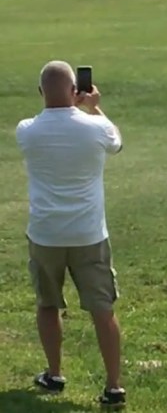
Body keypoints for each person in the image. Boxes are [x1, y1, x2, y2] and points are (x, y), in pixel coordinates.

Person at [15, 60, 127, 409]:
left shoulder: (27, 130)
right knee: (102, 309)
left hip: (46, 234)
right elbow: (116, 141)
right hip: (88, 233)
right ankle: (113, 386)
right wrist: (94, 107)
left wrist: (70, 106)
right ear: (75, 90)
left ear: (40, 92)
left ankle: (54, 373)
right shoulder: (95, 128)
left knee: (48, 304)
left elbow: (47, 123)